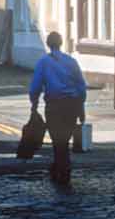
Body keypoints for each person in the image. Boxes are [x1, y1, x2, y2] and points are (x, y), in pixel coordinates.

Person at [28, 32, 87, 186]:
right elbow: (81, 85)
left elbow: (35, 86)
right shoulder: (71, 61)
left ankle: (61, 167)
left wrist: (34, 103)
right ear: (61, 43)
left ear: (48, 44)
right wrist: (81, 107)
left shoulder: (43, 62)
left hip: (54, 105)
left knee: (57, 139)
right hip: (71, 104)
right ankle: (61, 166)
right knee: (65, 138)